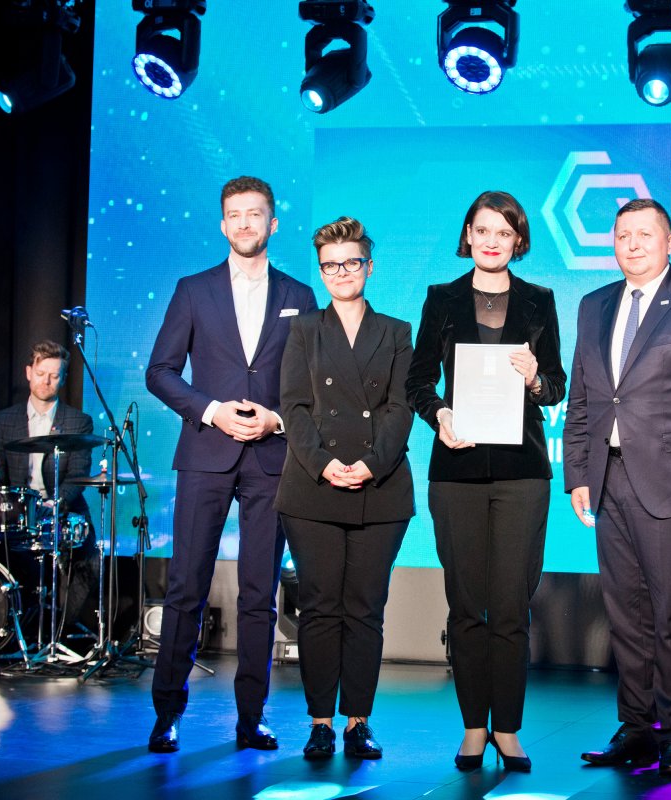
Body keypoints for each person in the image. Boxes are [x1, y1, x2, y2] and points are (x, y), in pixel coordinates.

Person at [563, 198, 671, 778]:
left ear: (670, 241)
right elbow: (583, 398)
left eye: (645, 234)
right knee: (626, 614)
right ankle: (637, 727)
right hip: (608, 478)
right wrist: (578, 473)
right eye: (623, 235)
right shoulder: (593, 305)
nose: (633, 244)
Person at [145, 175, 317, 753]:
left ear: (273, 223)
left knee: (258, 594)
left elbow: (311, 384)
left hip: (271, 459)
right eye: (235, 214)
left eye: (255, 214)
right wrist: (212, 410)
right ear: (223, 225)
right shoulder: (193, 290)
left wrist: (277, 421)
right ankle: (167, 713)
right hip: (205, 455)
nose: (245, 223)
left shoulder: (300, 295)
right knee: (185, 587)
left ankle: (251, 717)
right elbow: (160, 371)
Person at [406, 190, 566, 772]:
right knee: (466, 605)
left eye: (504, 231)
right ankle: (474, 726)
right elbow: (418, 381)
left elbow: (557, 386)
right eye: (482, 230)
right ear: (468, 236)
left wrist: (535, 379)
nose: (492, 240)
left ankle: (509, 728)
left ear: (518, 240)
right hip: (458, 471)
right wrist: (440, 415)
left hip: (523, 472)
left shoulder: (540, 300)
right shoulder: (441, 298)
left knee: (511, 607)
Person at [274, 217, 415, 761]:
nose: (341, 272)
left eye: (351, 262)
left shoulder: (397, 331)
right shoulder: (304, 330)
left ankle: (358, 720)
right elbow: (294, 407)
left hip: (380, 488)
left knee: (365, 608)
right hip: (313, 487)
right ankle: (319, 722)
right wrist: (325, 463)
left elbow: (400, 408)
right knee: (319, 607)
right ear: (321, 270)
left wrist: (371, 464)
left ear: (368, 267)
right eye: (330, 265)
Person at [0, 339, 98, 635]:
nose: (46, 381)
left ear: (62, 378)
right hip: (19, 512)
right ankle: (12, 630)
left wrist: (57, 503)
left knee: (90, 563)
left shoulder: (78, 421)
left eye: (54, 375)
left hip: (62, 509)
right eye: (40, 374)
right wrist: (10, 503)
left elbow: (78, 475)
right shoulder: (6, 419)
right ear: (28, 373)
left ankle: (59, 630)